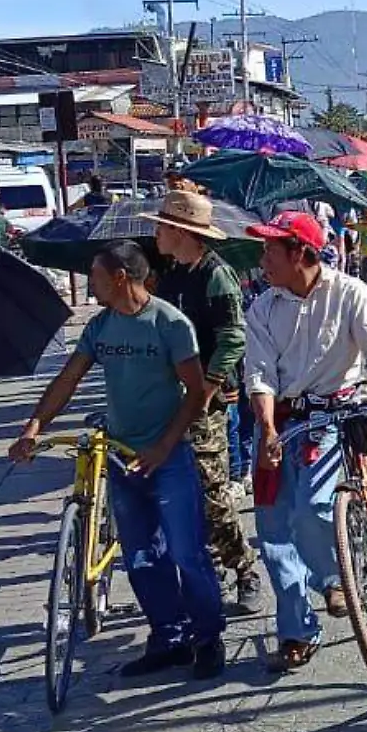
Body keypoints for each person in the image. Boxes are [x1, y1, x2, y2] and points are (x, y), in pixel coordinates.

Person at [9, 242, 225, 680]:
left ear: (122, 277)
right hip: (122, 457)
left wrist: (164, 446)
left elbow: (197, 394)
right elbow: (68, 378)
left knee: (186, 552)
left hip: (167, 457)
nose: (90, 283)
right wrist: (34, 426)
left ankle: (207, 638)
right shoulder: (102, 327)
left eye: (96, 274)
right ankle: (169, 638)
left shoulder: (169, 324)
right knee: (142, 556)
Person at [243, 211, 367, 674]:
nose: (263, 259)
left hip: (333, 416)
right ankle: (296, 630)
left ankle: (335, 578)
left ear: (300, 254)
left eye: (272, 250)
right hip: (278, 420)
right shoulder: (263, 307)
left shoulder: (350, 293)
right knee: (272, 531)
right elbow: (259, 375)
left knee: (313, 508)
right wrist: (268, 431)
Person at [144, 190, 264, 617]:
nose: (155, 233)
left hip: (208, 401)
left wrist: (208, 387)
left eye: (161, 226)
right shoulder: (169, 275)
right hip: (169, 399)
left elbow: (233, 337)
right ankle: (204, 571)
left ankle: (244, 568)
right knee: (177, 494)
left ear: (180, 231)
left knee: (211, 492)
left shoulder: (216, 275)